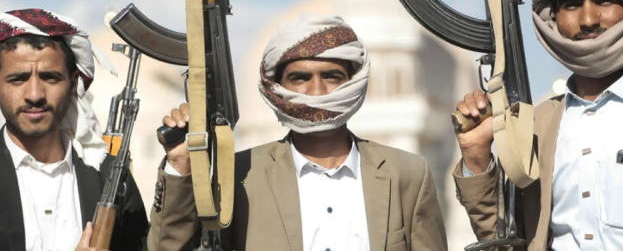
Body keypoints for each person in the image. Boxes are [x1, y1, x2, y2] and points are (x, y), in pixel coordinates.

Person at [148, 13, 448, 251]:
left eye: (332, 76)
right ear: (277, 87)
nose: (317, 91)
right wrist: (181, 165)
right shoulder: (239, 176)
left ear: (353, 82)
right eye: (300, 78)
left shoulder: (406, 174)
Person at [453, 0, 623, 250]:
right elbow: (504, 240)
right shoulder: (538, 124)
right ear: (554, 19)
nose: (588, 19)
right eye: (572, 5)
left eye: (605, 1)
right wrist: (476, 155)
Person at [0, 8, 148, 251]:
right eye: (18, 79)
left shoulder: (109, 176)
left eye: (50, 78)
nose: (35, 95)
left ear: (73, 84)